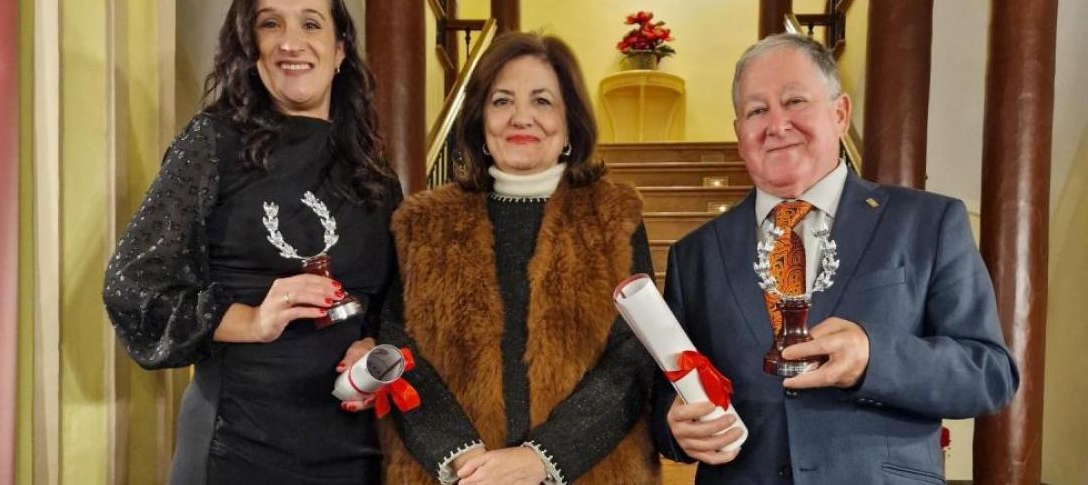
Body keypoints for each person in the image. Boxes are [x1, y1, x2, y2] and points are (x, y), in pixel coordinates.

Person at [651, 33, 1019, 484]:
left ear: (840, 114)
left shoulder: (927, 222)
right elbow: (663, 394)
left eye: (795, 101)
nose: (777, 124)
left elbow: (989, 374)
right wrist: (674, 428)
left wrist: (874, 357)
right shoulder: (695, 254)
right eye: (757, 110)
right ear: (739, 134)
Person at [103, 0, 400, 484]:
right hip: (236, 446)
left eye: (311, 24)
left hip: (355, 454)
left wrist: (373, 345)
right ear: (249, 49)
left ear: (339, 52)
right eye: (270, 23)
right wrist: (252, 320)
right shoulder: (212, 143)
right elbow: (132, 288)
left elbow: (395, 308)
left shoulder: (375, 176)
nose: (291, 41)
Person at [377, 32, 661, 484]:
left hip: (591, 470)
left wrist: (542, 458)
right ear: (480, 121)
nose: (521, 117)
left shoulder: (613, 217)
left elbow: (633, 356)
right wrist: (462, 457)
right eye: (502, 100)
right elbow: (396, 348)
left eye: (543, 101)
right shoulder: (424, 224)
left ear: (570, 122)